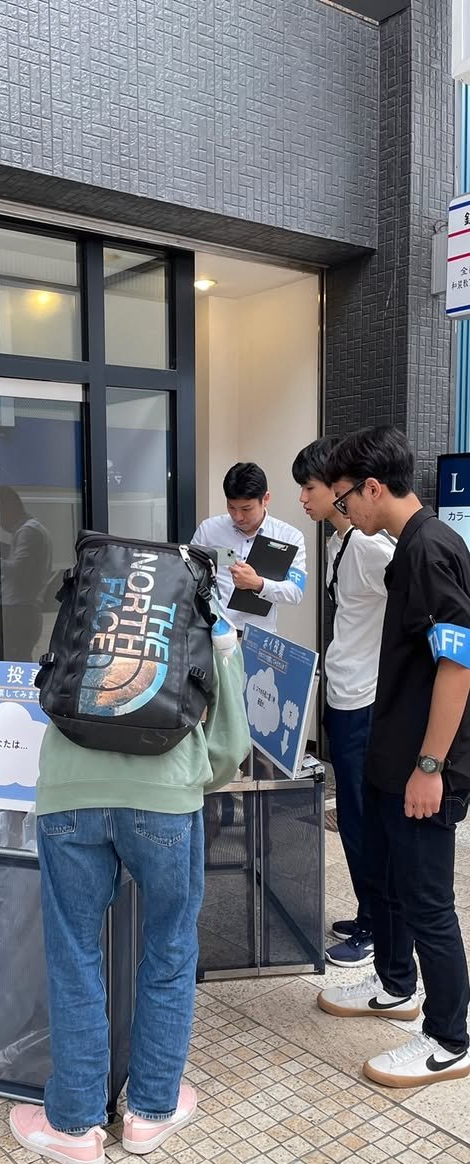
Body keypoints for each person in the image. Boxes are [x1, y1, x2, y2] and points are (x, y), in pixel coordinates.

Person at [8, 620, 251, 1164]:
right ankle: (151, 1110)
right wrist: (187, 780)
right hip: (165, 797)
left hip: (69, 794)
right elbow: (230, 745)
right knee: (170, 947)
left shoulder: (86, 594)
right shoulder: (199, 608)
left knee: (74, 953)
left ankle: (73, 1125)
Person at [317, 427, 470, 1087]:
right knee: (391, 883)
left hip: (423, 768)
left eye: (346, 497)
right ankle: (394, 984)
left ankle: (450, 1038)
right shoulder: (408, 546)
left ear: (373, 487)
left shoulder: (430, 551)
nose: (344, 510)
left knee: (429, 901)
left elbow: (459, 665)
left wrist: (431, 766)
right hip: (392, 755)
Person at [292, 438, 394, 968]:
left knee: (362, 818)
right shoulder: (340, 543)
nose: (303, 499)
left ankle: (378, 926)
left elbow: (415, 608)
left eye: (309, 488)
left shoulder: (373, 548)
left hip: (365, 700)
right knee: (353, 816)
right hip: (343, 693)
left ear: (338, 489)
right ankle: (367, 911)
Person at [192, 462, 307, 637]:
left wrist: (258, 584)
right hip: (211, 634)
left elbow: (295, 592)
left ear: (265, 499)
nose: (238, 517)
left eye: (246, 509)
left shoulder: (289, 537)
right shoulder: (209, 530)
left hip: (257, 637)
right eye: (231, 507)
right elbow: (190, 574)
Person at [0, 487, 52, 660]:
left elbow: (16, 569)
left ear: (8, 507)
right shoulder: (32, 530)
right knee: (18, 658)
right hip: (23, 609)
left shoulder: (28, 531)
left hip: (18, 610)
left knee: (12, 659)